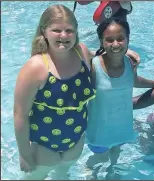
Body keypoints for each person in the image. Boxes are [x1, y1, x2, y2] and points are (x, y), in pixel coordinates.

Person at [13, 5, 97, 180]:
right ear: (44, 31)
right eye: (56, 30)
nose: (63, 36)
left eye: (69, 30)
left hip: (76, 140)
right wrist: (25, 154)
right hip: (43, 145)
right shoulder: (36, 67)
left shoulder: (81, 52)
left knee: (63, 174)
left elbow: (101, 56)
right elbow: (20, 115)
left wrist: (124, 52)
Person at [85, 17, 154, 178]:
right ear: (102, 42)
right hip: (99, 131)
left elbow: (134, 80)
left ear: (128, 40)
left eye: (120, 39)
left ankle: (111, 174)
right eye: (109, 40)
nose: (116, 44)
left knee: (115, 158)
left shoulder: (130, 63)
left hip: (122, 127)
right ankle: (88, 174)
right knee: (98, 160)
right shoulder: (93, 66)